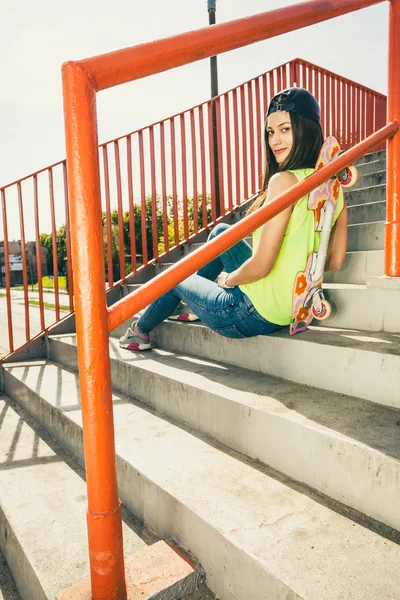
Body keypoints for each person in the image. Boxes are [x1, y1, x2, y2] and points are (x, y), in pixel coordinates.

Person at [119, 87, 347, 351]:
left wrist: (228, 280)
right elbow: (335, 260)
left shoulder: (283, 181)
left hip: (248, 314)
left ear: (307, 129)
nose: (275, 141)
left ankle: (139, 331)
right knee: (221, 233)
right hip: (292, 307)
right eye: (271, 132)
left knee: (175, 276)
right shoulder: (332, 186)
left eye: (285, 129)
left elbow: (261, 265)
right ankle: (191, 302)